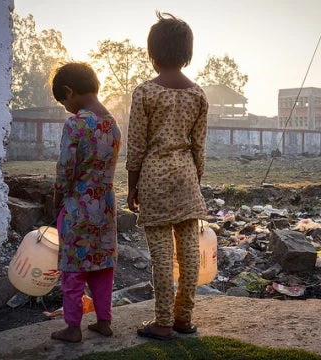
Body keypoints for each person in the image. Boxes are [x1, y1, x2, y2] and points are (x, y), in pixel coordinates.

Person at [126, 12, 208, 340]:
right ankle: (184, 318)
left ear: (153, 52)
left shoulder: (145, 92)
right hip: (186, 176)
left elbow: (136, 145)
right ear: (187, 52)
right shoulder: (198, 94)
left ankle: (162, 322)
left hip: (154, 179)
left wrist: (132, 187)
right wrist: (195, 180)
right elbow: (199, 147)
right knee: (188, 251)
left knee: (161, 255)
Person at [50, 62, 121, 342]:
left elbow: (66, 169)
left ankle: (72, 327)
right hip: (105, 205)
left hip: (78, 206)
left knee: (73, 269)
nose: (66, 108)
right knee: (103, 266)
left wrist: (57, 199)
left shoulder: (76, 123)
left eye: (64, 101)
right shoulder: (113, 124)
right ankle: (104, 321)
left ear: (70, 91)